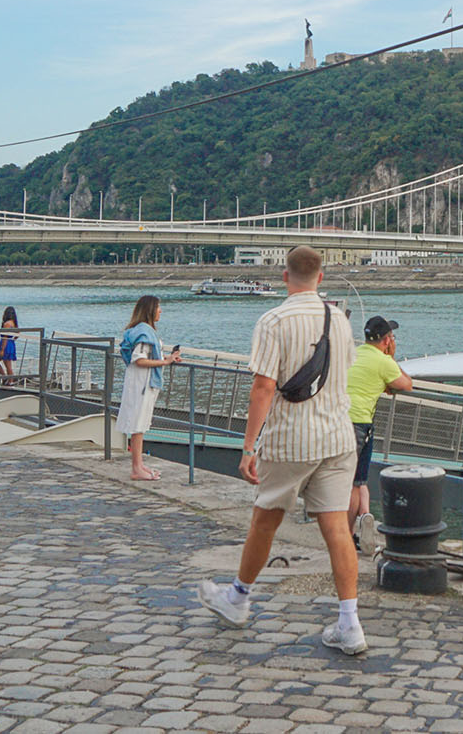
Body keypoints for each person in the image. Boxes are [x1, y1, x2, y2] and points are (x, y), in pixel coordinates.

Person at [195, 246, 367, 654]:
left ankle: (237, 599)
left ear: (284, 276)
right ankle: (350, 623)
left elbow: (264, 387)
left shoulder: (273, 320)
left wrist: (248, 445)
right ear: (321, 277)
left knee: (265, 522)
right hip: (339, 438)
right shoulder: (339, 319)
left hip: (291, 439)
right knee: (337, 529)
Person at [346, 315, 412, 549]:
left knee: (354, 478)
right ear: (386, 340)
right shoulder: (384, 361)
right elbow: (406, 384)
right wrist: (392, 357)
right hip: (359, 423)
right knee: (354, 482)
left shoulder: (351, 353)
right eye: (391, 337)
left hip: (335, 418)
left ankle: (363, 515)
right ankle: (346, 534)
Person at [117, 295, 181, 482]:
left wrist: (167, 358)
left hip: (139, 381)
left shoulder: (140, 330)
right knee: (139, 423)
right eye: (159, 307)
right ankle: (137, 468)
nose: (161, 311)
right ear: (151, 310)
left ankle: (139, 464)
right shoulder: (145, 332)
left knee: (140, 424)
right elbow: (140, 359)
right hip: (142, 383)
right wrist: (165, 361)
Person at [0, 306, 20, 379]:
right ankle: (6, 378)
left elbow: (5, 337)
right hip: (11, 343)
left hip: (5, 343)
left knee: (4, 363)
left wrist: (2, 349)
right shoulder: (14, 323)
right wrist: (12, 340)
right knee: (6, 363)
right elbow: (18, 334)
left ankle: (8, 379)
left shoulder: (7, 324)